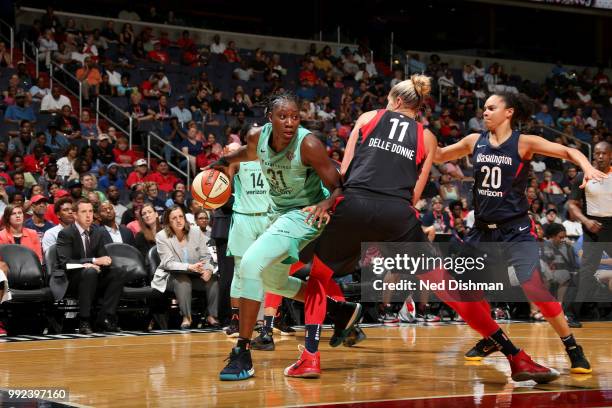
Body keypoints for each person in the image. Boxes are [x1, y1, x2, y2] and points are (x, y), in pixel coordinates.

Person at [434, 92, 606, 375]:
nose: (485, 112)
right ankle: (491, 338)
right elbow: (439, 155)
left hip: (515, 229)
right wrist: (419, 133)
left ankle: (572, 345)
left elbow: (567, 151)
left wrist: (586, 166)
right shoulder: (473, 141)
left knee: (533, 286)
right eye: (484, 108)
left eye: (491, 108)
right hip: (482, 232)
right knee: (470, 291)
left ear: (509, 112)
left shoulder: (524, 143)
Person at [213, 92, 359, 381]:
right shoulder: (257, 137)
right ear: (270, 118)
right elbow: (247, 154)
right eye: (283, 116)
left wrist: (325, 203)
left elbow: (341, 185)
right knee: (273, 281)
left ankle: (242, 352)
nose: (290, 122)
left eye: (295, 116)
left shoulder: (309, 144)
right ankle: (339, 311)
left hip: (306, 215)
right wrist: (224, 160)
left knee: (251, 263)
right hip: (277, 214)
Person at [54, 198, 127, 334]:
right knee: (89, 272)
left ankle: (105, 317)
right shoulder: (66, 233)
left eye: (90, 211)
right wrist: (92, 262)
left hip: (94, 276)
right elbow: (66, 263)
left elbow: (103, 259)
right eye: (83, 212)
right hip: (72, 279)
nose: (88, 215)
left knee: (119, 272)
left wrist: (103, 262)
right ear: (75, 215)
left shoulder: (97, 232)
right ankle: (84, 321)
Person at [566, 142, 612, 325]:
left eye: (604, 153)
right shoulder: (582, 176)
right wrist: (585, 221)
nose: (600, 156)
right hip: (593, 225)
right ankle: (570, 314)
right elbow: (571, 205)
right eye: (597, 153)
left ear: (611, 156)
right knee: (585, 273)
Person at [152, 206, 218, 329]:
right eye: (174, 218)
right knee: (183, 280)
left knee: (212, 279)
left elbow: (206, 255)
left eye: (181, 216)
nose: (178, 220)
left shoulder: (196, 232)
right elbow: (168, 263)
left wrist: (208, 269)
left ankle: (211, 316)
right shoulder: (161, 236)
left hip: (196, 273)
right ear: (168, 222)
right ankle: (187, 317)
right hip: (171, 276)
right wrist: (189, 267)